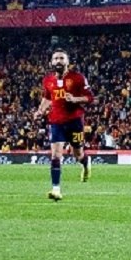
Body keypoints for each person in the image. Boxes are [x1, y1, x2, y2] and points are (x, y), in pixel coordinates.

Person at [37, 49, 93, 201]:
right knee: (55, 155)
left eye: (61, 58)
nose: (58, 61)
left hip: (75, 121)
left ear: (67, 62)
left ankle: (85, 163)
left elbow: (90, 98)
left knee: (78, 154)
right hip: (56, 121)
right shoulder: (48, 80)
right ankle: (56, 189)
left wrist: (75, 99)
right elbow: (48, 97)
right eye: (56, 59)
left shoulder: (78, 78)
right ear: (51, 62)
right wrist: (40, 110)